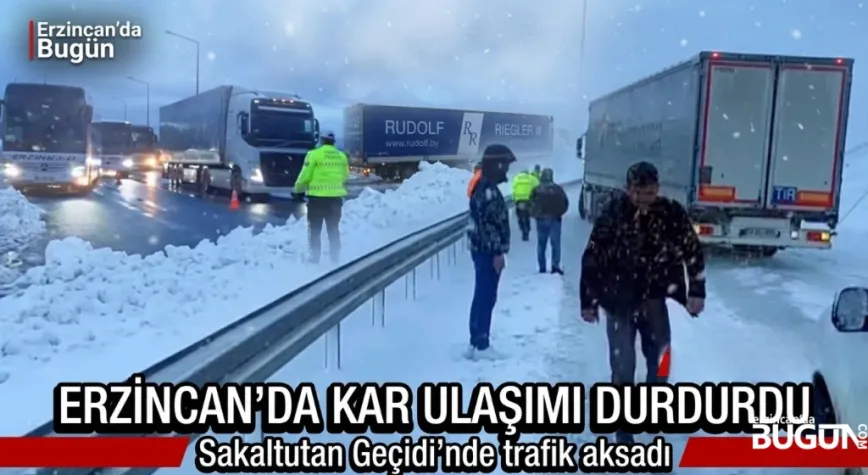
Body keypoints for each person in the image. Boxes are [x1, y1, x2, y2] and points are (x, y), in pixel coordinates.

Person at [579, 161, 706, 444]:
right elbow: (592, 258)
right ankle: (624, 429)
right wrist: (588, 300)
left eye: (649, 193)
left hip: (654, 300)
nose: (644, 199)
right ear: (628, 190)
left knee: (660, 361)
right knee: (623, 366)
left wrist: (696, 290)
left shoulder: (670, 214)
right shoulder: (613, 214)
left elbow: (692, 250)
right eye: (638, 193)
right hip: (618, 300)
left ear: (657, 190)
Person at [466, 144, 516, 360]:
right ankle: (481, 344)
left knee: (483, 295)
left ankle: (477, 340)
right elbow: (488, 226)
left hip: (483, 251)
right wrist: (497, 252)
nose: (506, 170)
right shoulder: (487, 191)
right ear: (496, 164)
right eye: (504, 165)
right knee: (486, 296)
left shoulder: (485, 187)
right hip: (487, 253)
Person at [293, 131, 350, 265]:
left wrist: (298, 190)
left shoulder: (313, 154)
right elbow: (345, 176)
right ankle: (335, 258)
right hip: (335, 200)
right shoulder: (342, 157)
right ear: (334, 141)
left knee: (315, 229)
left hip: (317, 200)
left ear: (322, 140)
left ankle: (315, 258)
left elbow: (305, 175)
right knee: (333, 228)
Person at [529, 168, 569, 275]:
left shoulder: (536, 190)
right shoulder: (558, 189)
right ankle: (555, 266)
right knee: (555, 244)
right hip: (555, 220)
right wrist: (559, 214)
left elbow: (530, 205)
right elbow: (565, 203)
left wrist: (536, 215)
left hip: (541, 221)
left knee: (541, 245)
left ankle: (542, 267)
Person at [511, 168, 539, 241]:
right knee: (527, 216)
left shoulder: (516, 178)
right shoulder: (531, 178)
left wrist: (514, 199)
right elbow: (538, 186)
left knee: (520, 217)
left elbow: (513, 189)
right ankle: (527, 230)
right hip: (528, 200)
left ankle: (522, 229)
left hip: (519, 200)